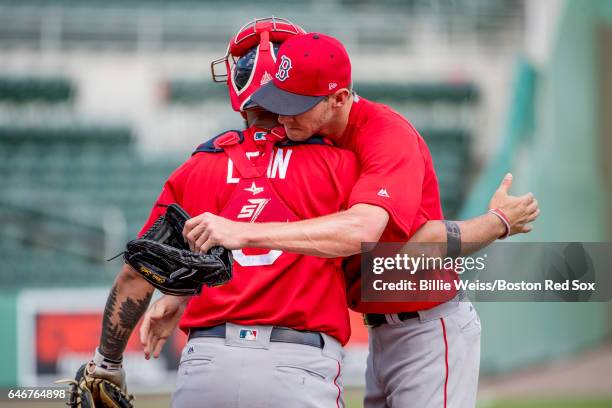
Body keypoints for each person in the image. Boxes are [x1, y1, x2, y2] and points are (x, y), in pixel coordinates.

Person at [173, 32, 540, 408]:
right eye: (278, 99)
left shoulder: (387, 134)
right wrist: (176, 296)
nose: (283, 115)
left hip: (429, 328)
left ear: (339, 99)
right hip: (381, 330)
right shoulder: (311, 135)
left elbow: (380, 234)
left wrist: (498, 222)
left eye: (296, 104)